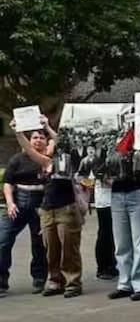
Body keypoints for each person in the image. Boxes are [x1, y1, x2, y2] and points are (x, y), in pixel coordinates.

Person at [12, 117, 83, 298]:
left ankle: (73, 282)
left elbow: (62, 141)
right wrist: (17, 132)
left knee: (69, 246)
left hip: (66, 208)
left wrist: (48, 127)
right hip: (47, 210)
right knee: (51, 248)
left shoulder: (69, 160)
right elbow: (28, 149)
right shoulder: (44, 162)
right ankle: (55, 280)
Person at [101, 118, 140, 301]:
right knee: (122, 243)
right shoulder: (111, 146)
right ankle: (124, 283)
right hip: (116, 195)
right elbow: (103, 169)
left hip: (137, 193)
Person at [0, 124, 49, 296]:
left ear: (46, 142)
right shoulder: (17, 159)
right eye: (35, 137)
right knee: (3, 239)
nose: (38, 141)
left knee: (40, 243)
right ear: (29, 141)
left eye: (42, 138)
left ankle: (39, 278)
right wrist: (10, 203)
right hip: (18, 204)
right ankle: (1, 281)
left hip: (40, 205)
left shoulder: (47, 160)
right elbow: (7, 183)